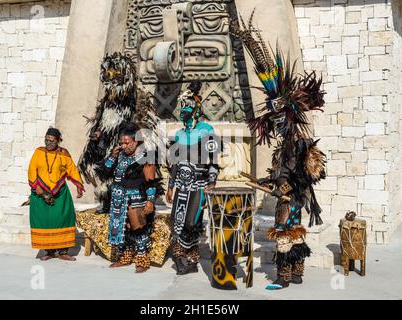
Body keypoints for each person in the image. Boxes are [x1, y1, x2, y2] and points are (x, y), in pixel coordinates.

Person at [233, 18, 326, 289]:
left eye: (278, 118)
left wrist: (288, 188)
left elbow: (310, 173)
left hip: (294, 199)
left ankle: (286, 277)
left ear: (288, 117)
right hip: (290, 197)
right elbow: (282, 173)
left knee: (287, 236)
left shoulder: (299, 144)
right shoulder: (288, 145)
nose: (274, 124)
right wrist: (271, 182)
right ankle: (294, 274)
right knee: (293, 235)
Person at [166, 81, 220, 275]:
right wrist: (170, 186)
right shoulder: (179, 134)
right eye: (182, 105)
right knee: (178, 221)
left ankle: (180, 254)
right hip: (181, 185)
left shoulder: (206, 130)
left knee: (192, 222)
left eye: (187, 105)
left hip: (198, 185)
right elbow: (174, 164)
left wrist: (212, 183)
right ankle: (191, 260)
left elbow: (213, 160)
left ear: (196, 107)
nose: (183, 109)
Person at [102, 122, 157, 273]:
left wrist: (150, 201)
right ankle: (125, 257)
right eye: (121, 143)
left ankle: (143, 260)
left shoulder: (146, 155)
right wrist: (112, 156)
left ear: (136, 141)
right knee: (123, 231)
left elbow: (151, 182)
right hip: (118, 200)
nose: (124, 146)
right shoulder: (118, 155)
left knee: (138, 229)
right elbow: (105, 172)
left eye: (127, 143)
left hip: (136, 198)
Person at [28, 127, 85, 261]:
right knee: (45, 221)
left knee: (63, 219)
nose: (48, 143)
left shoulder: (63, 154)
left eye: (52, 141)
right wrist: (40, 191)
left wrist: (78, 186)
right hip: (40, 192)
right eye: (46, 140)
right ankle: (49, 251)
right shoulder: (38, 152)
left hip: (60, 193)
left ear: (58, 141)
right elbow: (31, 170)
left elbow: (72, 170)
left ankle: (63, 252)